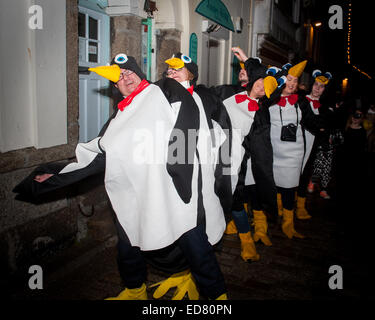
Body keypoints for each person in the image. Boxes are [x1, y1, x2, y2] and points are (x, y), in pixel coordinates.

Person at [14, 53, 228, 300]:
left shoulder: (163, 89)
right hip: (134, 193)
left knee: (195, 244)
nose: (126, 78)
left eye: (129, 72)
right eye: (120, 77)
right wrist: (58, 176)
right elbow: (103, 152)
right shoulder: (120, 115)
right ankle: (135, 291)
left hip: (173, 189)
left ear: (140, 73)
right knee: (128, 244)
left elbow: (188, 120)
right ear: (115, 86)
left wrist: (180, 169)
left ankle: (217, 298)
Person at [220, 48, 278, 262]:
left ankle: (247, 241)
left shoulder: (261, 113)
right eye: (260, 81)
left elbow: (258, 148)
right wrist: (246, 60)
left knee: (236, 200)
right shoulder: (229, 92)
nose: (261, 87)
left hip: (235, 158)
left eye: (266, 87)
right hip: (214, 151)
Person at [263, 60, 322, 239]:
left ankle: (288, 224)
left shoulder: (301, 102)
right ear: (282, 80)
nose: (292, 84)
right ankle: (273, 214)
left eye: (295, 81)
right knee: (272, 187)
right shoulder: (269, 100)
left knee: (289, 188)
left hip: (293, 154)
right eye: (289, 80)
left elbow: (313, 121)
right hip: (273, 151)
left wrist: (326, 125)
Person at [296, 69, 332, 218]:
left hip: (312, 144)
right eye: (316, 84)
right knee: (291, 172)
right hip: (295, 141)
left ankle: (300, 206)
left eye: (321, 86)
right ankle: (285, 204)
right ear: (312, 84)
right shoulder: (300, 99)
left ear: (325, 89)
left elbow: (324, 127)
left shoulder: (324, 108)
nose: (318, 88)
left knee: (305, 173)